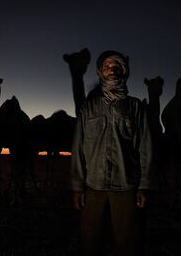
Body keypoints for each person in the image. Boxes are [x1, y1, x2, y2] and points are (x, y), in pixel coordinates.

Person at [70, 50, 154, 256]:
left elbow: (145, 147)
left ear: (124, 71)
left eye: (117, 66)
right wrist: (77, 186)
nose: (112, 69)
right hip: (93, 185)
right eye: (107, 66)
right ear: (100, 72)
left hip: (125, 184)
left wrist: (144, 185)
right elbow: (78, 147)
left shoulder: (135, 107)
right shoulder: (87, 108)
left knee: (128, 242)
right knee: (89, 242)